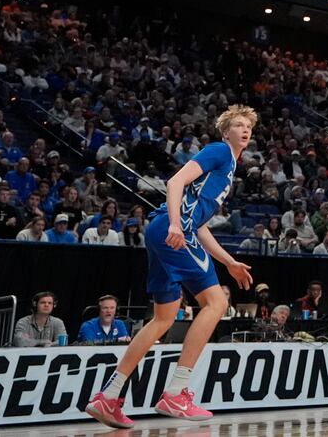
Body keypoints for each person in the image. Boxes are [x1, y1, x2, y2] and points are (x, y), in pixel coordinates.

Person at [85, 105, 257, 427]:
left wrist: (229, 261)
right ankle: (177, 391)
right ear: (225, 131)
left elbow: (201, 224)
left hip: (163, 230)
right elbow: (174, 182)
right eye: (238, 124)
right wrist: (177, 225)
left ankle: (109, 396)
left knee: (163, 318)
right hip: (172, 229)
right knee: (216, 302)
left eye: (248, 125)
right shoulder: (219, 150)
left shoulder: (228, 166)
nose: (245, 129)